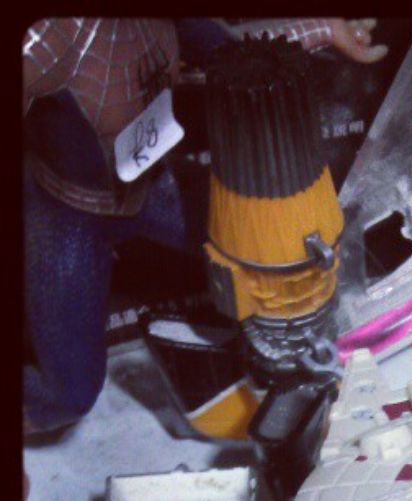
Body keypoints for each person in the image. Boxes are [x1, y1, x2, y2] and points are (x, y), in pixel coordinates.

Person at [23, 17, 385, 435]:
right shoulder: (50, 39)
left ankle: (284, 370)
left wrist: (322, 29)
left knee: (272, 244)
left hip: (150, 188)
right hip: (66, 214)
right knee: (69, 394)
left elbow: (241, 56)